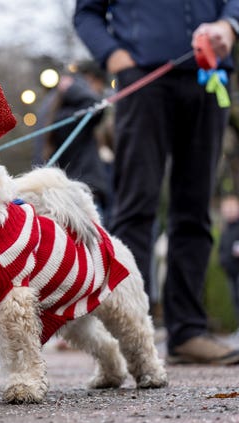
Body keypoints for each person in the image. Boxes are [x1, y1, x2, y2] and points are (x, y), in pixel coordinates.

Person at [74, 1, 239, 364]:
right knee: (136, 208)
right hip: (142, 80)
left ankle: (188, 332)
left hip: (210, 76)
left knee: (195, 209)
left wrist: (230, 24)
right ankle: (126, 334)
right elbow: (85, 13)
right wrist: (115, 56)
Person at [45, 61, 111, 225]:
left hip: (70, 195)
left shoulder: (57, 115)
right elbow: (96, 105)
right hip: (82, 195)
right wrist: (74, 84)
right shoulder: (69, 117)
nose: (100, 91)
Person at [219, 195, 239, 333]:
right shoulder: (225, 229)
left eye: (232, 208)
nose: (229, 211)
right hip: (230, 273)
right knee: (235, 301)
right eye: (226, 209)